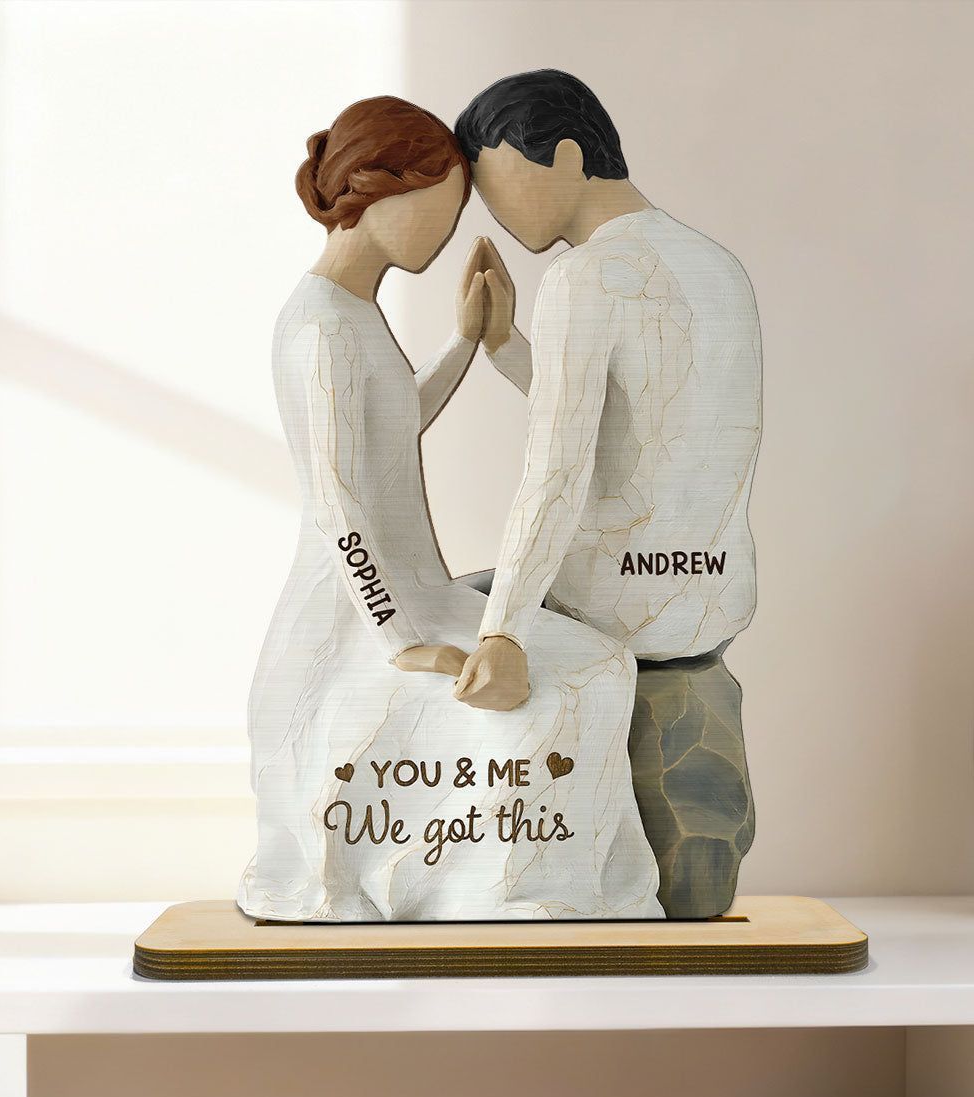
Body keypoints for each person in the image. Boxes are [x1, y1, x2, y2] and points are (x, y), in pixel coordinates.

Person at [237, 96, 661, 923]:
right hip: (360, 607)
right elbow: (337, 507)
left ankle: (567, 885)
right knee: (576, 680)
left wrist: (468, 341)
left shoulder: (352, 313)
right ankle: (512, 884)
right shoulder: (321, 328)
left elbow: (391, 429)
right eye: (438, 206)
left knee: (600, 665)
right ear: (378, 190)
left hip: (410, 589)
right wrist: (401, 639)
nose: (447, 229)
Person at [450, 71, 762, 915]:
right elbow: (644, 424)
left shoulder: (586, 279)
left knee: (429, 618)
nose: (496, 214)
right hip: (706, 596)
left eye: (498, 183)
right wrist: (508, 346)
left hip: (610, 610)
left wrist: (503, 631)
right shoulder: (717, 266)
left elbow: (557, 472)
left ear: (565, 155)